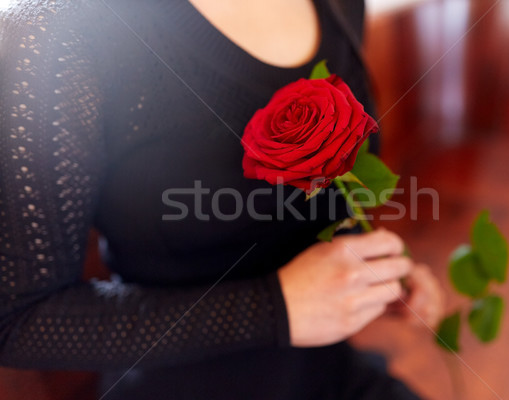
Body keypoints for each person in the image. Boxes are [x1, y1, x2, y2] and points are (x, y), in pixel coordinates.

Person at [0, 0, 443, 398]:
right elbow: (18, 322)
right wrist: (274, 307)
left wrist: (372, 273)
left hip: (329, 373)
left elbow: (305, 206)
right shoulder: (56, 29)